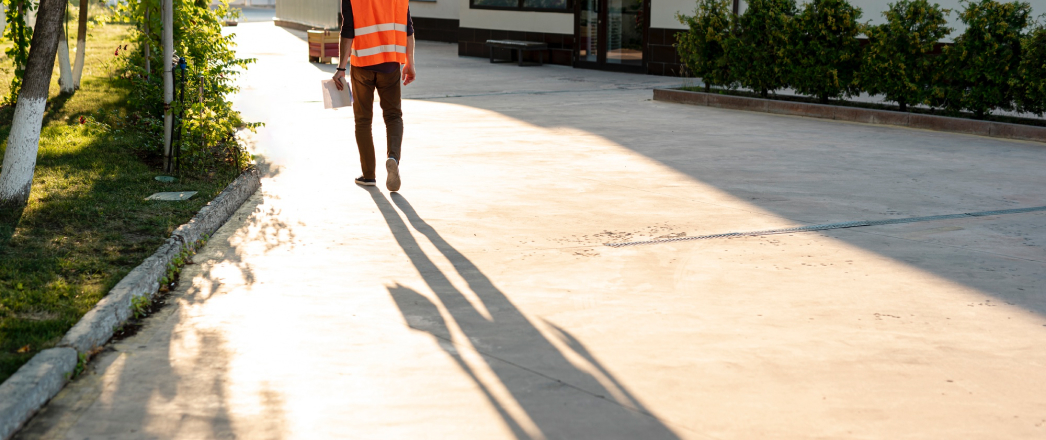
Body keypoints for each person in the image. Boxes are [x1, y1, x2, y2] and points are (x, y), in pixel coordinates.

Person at [332, 0, 416, 192]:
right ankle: (393, 158)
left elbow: (347, 31)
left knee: (363, 121)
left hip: (362, 64)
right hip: (390, 64)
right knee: (393, 116)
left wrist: (341, 68)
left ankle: (368, 175)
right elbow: (408, 30)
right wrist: (410, 63)